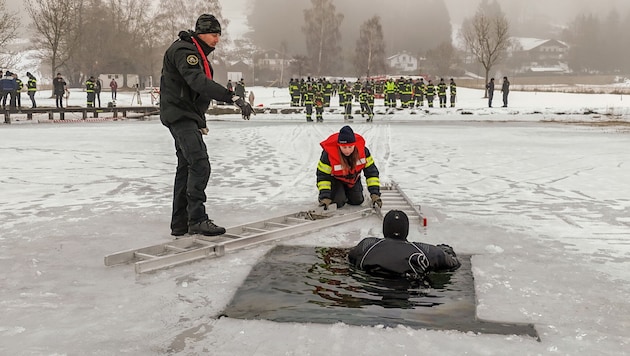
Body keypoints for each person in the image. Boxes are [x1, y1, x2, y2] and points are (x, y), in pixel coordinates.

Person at [160, 13, 252, 237]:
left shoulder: (196, 52)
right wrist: (232, 98)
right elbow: (198, 82)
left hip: (186, 114)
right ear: (200, 33)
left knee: (186, 167)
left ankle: (180, 223)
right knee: (200, 164)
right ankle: (197, 219)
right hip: (180, 115)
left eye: (219, 35)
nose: (217, 39)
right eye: (213, 34)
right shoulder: (185, 51)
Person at [348, 210, 461, 280]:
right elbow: (453, 263)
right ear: (406, 230)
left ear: (384, 229)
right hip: (409, 289)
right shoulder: (423, 250)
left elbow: (351, 257)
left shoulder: (367, 245)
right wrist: (446, 249)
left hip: (372, 291)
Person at [316, 125, 381, 209]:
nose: (347, 150)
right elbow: (323, 177)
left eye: (350, 147)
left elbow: (371, 173)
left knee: (357, 201)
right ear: (339, 145)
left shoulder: (364, 152)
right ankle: (338, 194)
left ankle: (348, 193)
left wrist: (375, 194)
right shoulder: (328, 155)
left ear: (354, 145)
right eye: (344, 147)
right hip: (336, 181)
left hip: (353, 180)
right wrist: (324, 197)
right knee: (338, 202)